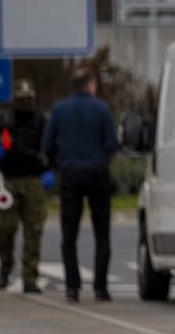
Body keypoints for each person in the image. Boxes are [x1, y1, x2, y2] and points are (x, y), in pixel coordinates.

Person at [41, 68, 120, 303]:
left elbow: (47, 143)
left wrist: (58, 165)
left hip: (70, 174)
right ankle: (100, 287)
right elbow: (113, 144)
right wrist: (103, 160)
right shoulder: (102, 109)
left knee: (69, 234)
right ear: (90, 85)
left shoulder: (59, 109)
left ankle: (72, 287)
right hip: (97, 173)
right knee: (102, 232)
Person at [0, 79, 53, 293]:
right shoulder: (2, 120)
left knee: (34, 230)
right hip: (7, 180)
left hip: (33, 180)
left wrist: (49, 170)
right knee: (5, 228)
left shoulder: (41, 121)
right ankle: (5, 268)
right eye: (22, 99)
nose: (26, 103)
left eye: (29, 99)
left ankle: (30, 278)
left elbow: (50, 149)